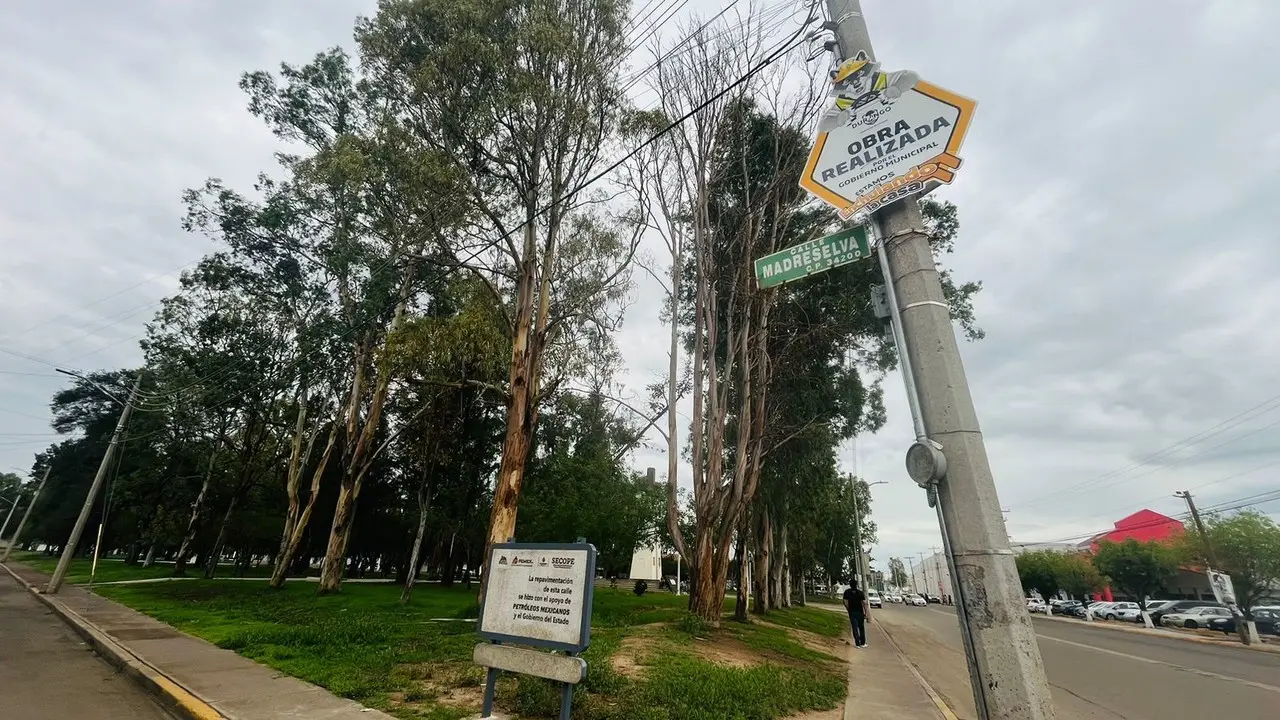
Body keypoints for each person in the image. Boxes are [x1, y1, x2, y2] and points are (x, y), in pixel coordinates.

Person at [843, 580, 870, 648]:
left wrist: (848, 609)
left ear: (850, 585)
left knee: (854, 627)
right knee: (861, 627)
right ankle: (863, 643)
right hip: (860, 612)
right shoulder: (860, 593)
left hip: (852, 612)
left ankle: (857, 643)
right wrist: (866, 613)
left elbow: (845, 602)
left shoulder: (847, 592)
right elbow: (864, 603)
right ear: (856, 585)